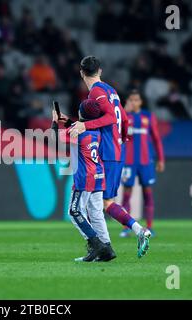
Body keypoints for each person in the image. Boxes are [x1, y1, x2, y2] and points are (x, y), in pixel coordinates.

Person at [68, 56, 152, 258]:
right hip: (115, 150)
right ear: (100, 71)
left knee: (98, 204)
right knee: (101, 204)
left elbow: (110, 117)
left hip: (104, 152)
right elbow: (122, 118)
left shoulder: (96, 91)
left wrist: (85, 125)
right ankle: (106, 248)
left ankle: (135, 232)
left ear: (81, 73)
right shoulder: (110, 90)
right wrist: (122, 139)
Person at [52, 99, 116, 262]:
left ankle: (96, 244)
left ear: (81, 113)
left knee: (74, 212)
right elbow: (79, 130)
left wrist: (54, 122)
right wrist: (68, 123)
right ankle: (107, 248)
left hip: (84, 176)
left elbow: (54, 140)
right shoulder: (96, 129)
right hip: (98, 174)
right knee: (95, 213)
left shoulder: (77, 131)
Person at [120, 90, 165, 237]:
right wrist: (124, 112)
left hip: (145, 161)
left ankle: (150, 226)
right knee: (127, 193)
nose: (133, 102)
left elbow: (157, 139)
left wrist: (161, 159)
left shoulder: (148, 117)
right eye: (131, 100)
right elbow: (117, 133)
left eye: (136, 100)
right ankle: (126, 228)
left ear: (141, 102)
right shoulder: (124, 116)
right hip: (129, 161)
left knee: (148, 192)